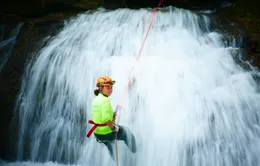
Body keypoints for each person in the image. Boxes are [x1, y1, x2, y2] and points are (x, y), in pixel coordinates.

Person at [87, 76, 136, 159]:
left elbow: (99, 117)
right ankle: (136, 151)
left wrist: (113, 113)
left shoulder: (96, 99)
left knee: (109, 143)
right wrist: (114, 128)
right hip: (107, 133)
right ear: (100, 88)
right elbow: (106, 119)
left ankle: (114, 159)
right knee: (126, 132)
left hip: (98, 134)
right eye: (108, 87)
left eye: (111, 87)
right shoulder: (105, 101)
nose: (110, 90)